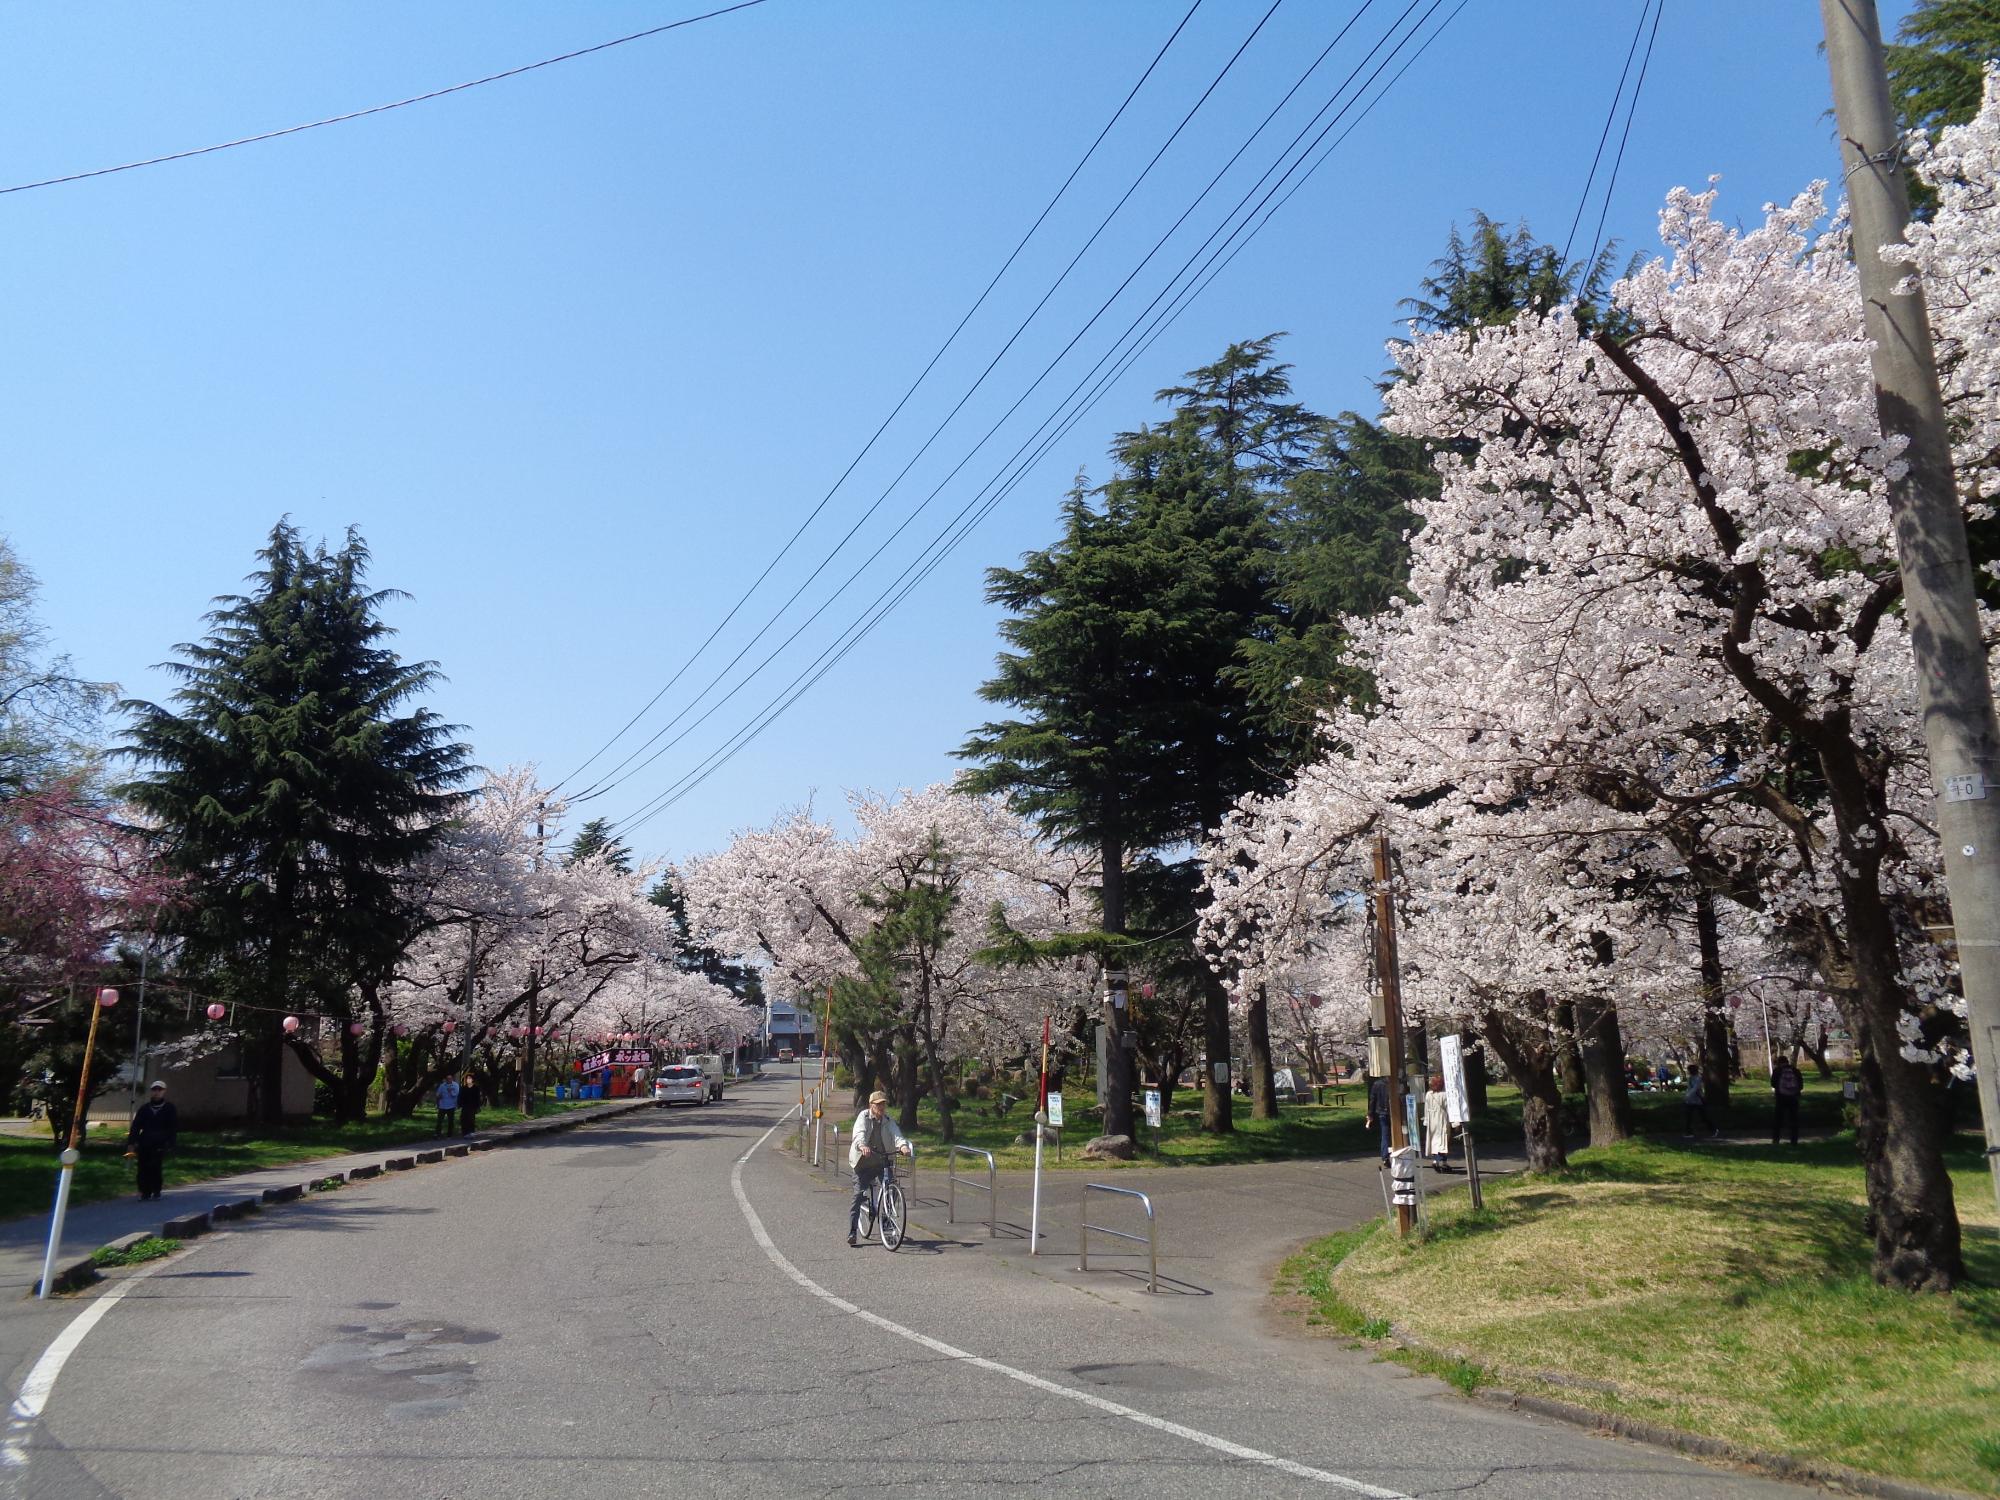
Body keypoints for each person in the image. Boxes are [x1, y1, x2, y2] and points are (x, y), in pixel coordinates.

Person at [846, 1089, 910, 1246]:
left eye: (883, 1104)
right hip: (863, 1162)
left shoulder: (888, 1120)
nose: (881, 1108)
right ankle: (853, 1231)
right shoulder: (863, 1117)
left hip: (882, 1161)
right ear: (871, 1105)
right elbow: (858, 1133)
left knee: (892, 1190)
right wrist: (862, 1145)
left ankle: (886, 1223)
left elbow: (897, 1134)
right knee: (858, 1195)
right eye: (878, 1105)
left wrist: (903, 1146)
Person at [126, 1081, 178, 1200]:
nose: (157, 1092)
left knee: (155, 1166)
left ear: (164, 1091)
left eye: (160, 1090)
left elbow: (172, 1127)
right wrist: (131, 1142)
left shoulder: (169, 1108)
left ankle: (156, 1189)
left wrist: (171, 1143)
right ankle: (144, 1191)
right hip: (145, 1142)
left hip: (160, 1142)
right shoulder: (144, 1109)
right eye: (154, 1090)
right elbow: (136, 1126)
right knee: (142, 1167)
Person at [1423, 1074, 1452, 1173]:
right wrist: (1455, 1123)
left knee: (1434, 1142)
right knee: (1443, 1142)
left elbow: (1426, 1108)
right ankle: (1442, 1162)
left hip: (1432, 1121)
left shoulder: (1428, 1094)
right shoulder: (1444, 1095)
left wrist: (1426, 1121)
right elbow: (1449, 1108)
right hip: (1442, 1120)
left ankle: (1437, 1161)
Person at [1771, 1057, 1804, 1145]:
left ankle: (1776, 1140)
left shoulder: (1777, 1071)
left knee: (1778, 1120)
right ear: (1787, 1061)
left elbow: (1773, 1084)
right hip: (1793, 1098)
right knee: (1794, 1120)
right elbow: (1801, 1085)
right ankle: (1794, 1140)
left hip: (1781, 1098)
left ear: (1779, 1062)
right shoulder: (1795, 1070)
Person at [1683, 1066, 1718, 1139]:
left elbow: (1695, 1089)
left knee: (1704, 1117)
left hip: (1698, 1100)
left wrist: (1688, 1095)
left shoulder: (1698, 1078)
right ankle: (1689, 1132)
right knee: (1688, 1117)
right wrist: (1686, 1096)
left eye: (1689, 1070)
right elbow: (1689, 1088)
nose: (1688, 1072)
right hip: (1690, 1101)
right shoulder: (1690, 1078)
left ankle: (1714, 1130)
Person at [1365, 1073, 1391, 1165]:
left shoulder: (1377, 1084)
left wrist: (1370, 1114)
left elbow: (1373, 1100)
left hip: (1381, 1111)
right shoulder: (1393, 1083)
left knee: (1385, 1134)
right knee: (1395, 1133)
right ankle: (1396, 1154)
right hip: (1393, 1112)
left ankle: (1385, 1156)